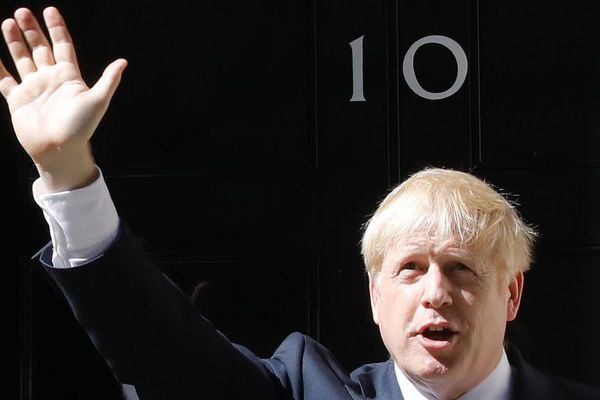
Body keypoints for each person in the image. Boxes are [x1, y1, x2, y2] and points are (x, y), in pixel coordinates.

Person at [1, 6, 599, 400]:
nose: (434, 293)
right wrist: (66, 171)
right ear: (374, 296)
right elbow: (164, 357)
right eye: (409, 269)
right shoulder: (305, 389)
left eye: (462, 268)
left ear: (513, 292)